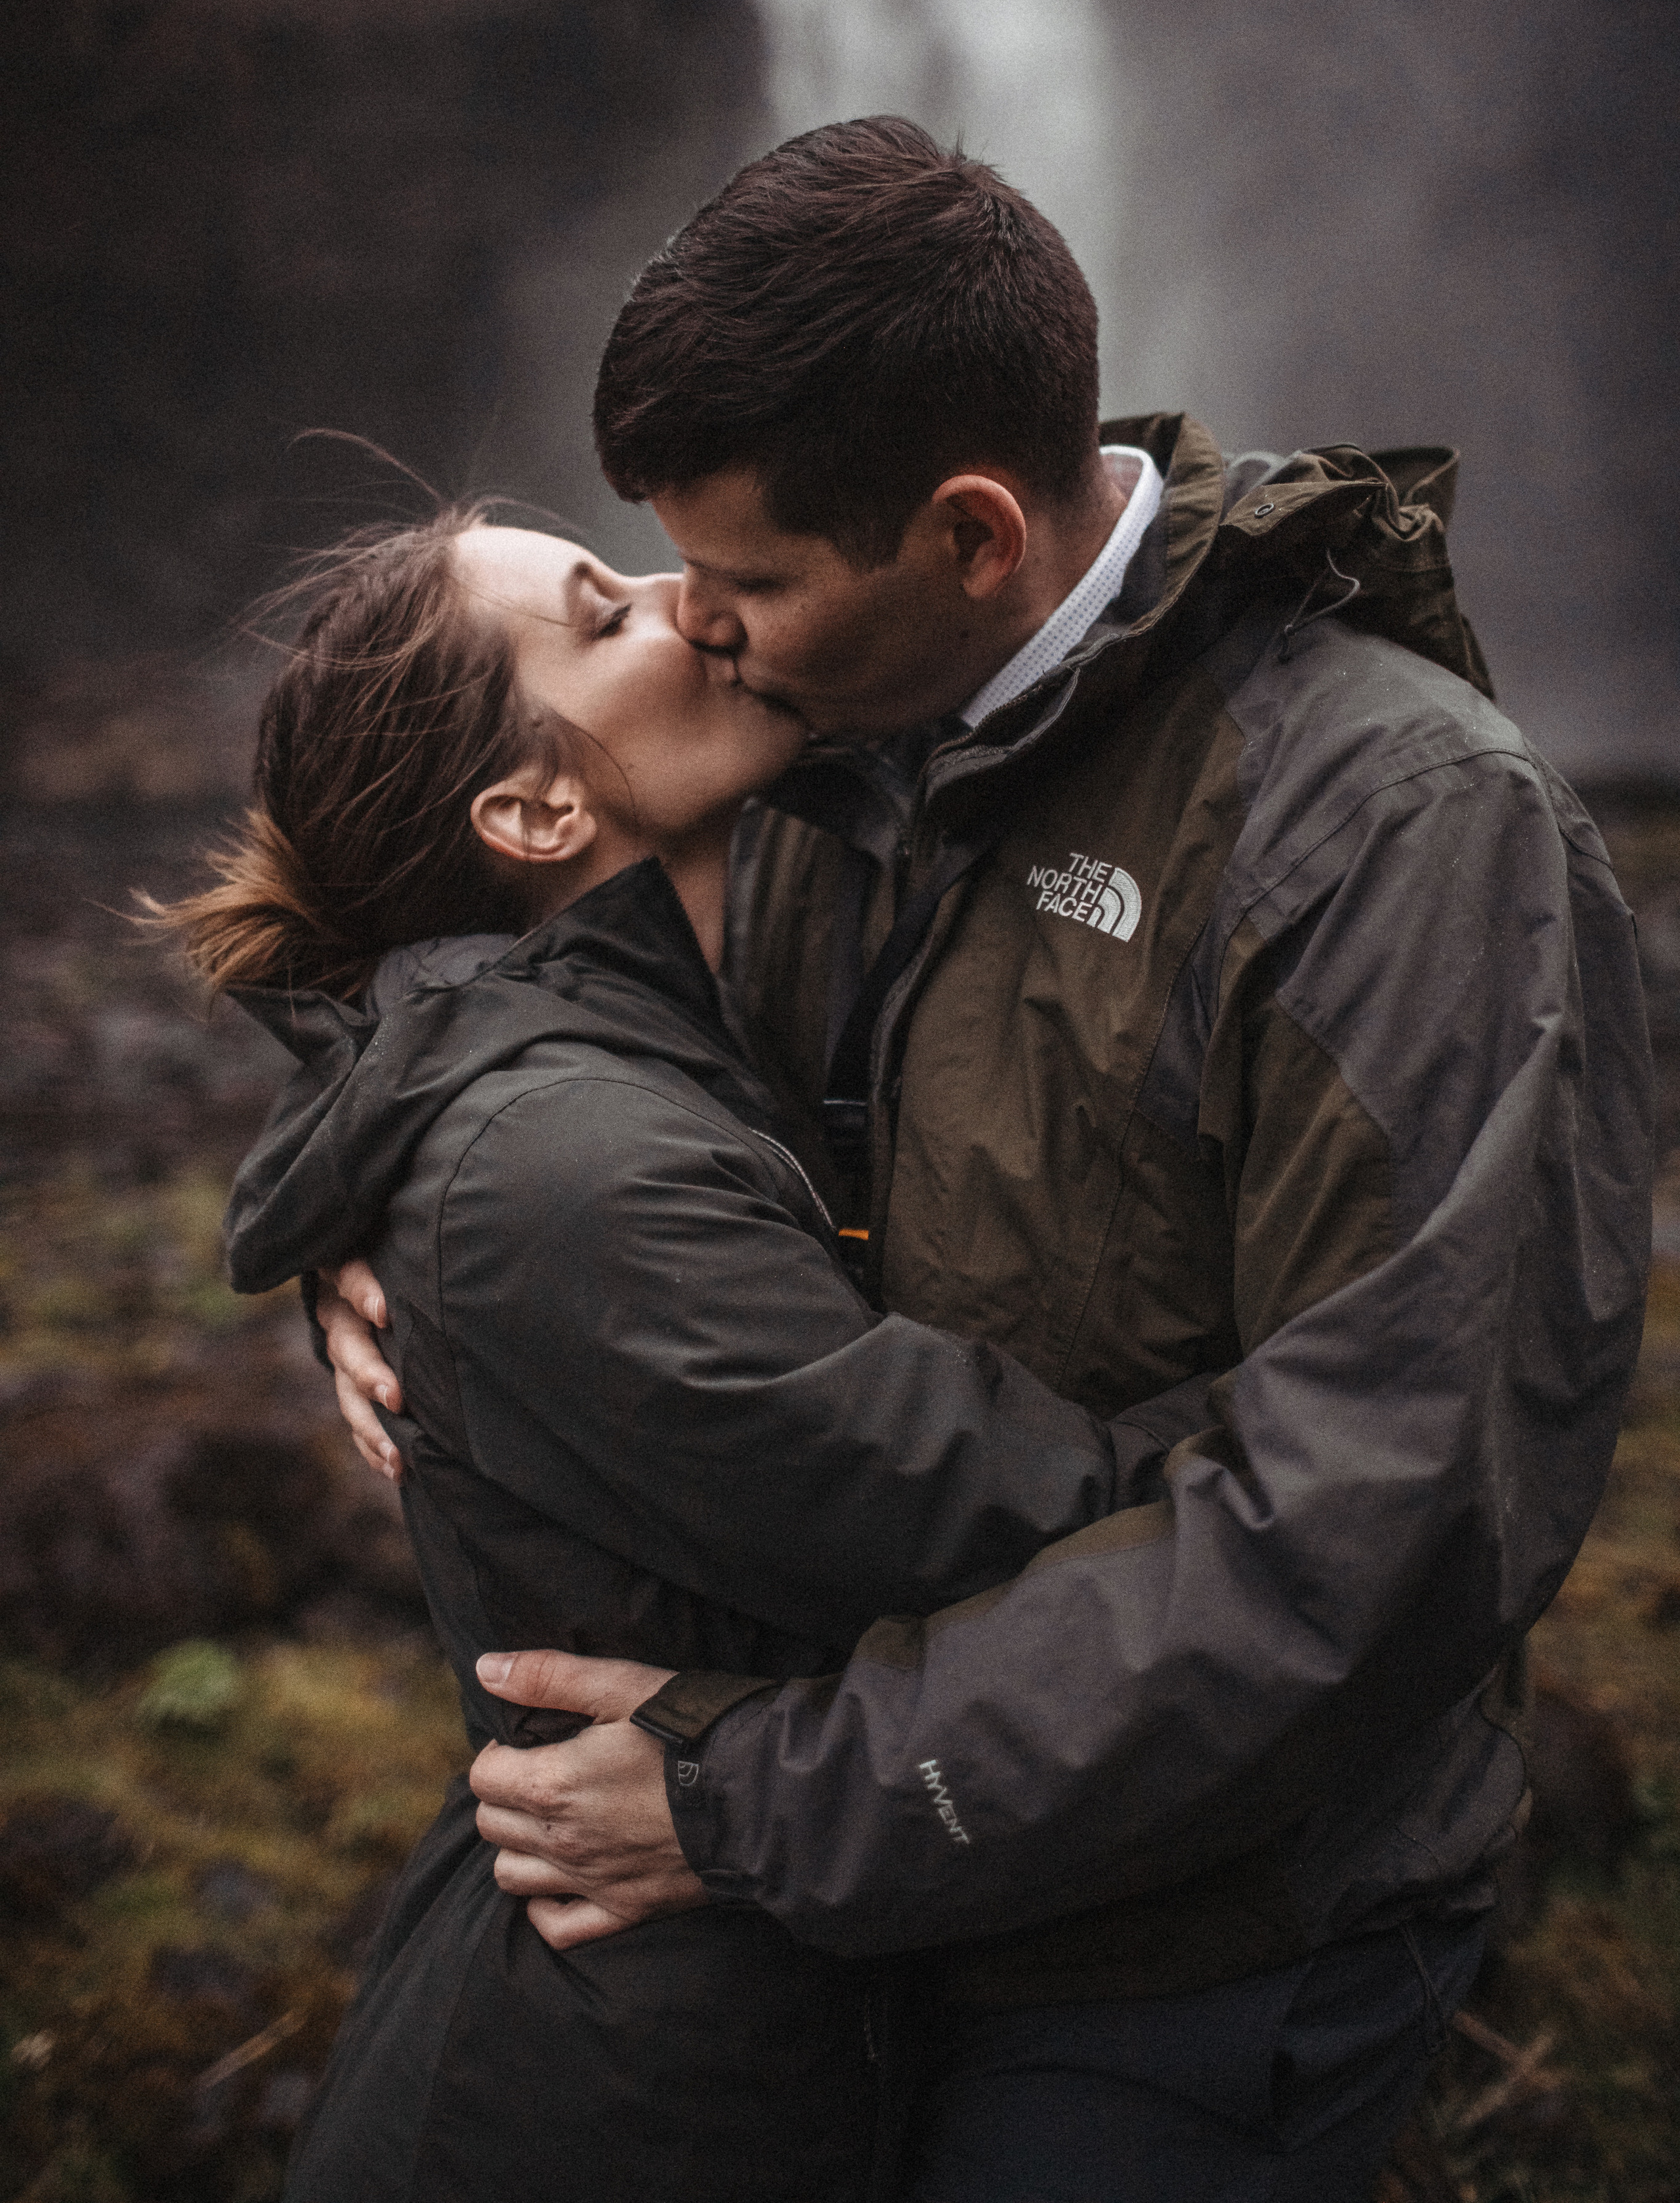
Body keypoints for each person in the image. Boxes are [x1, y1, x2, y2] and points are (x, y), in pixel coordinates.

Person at [322, 117, 1654, 2202]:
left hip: (1198, 1937)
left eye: (743, 577)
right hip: (870, 1893)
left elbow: (1379, 1538)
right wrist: (377, 1213)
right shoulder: (815, 733)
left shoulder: (1395, 835)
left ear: (967, 536)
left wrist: (763, 1804)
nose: (697, 624)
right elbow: (461, 913)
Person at [168, 506, 1192, 2201]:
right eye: (607, 608)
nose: (693, 600)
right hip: (613, 2101)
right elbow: (1023, 1530)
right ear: (534, 808)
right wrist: (1383, 1411)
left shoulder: (620, 1061)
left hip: (689, 2024)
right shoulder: (566, 1168)